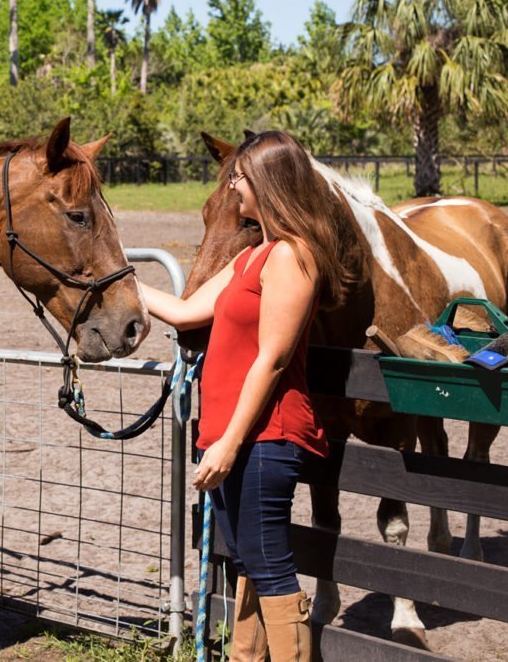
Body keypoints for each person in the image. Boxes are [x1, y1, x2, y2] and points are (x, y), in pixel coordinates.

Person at [141, 131, 356, 661]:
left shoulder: (293, 256)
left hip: (265, 436)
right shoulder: (252, 257)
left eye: (240, 176)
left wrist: (230, 443)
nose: (232, 185)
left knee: (268, 563)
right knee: (245, 559)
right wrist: (111, 278)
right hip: (234, 434)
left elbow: (273, 358)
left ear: (269, 182)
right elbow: (185, 312)